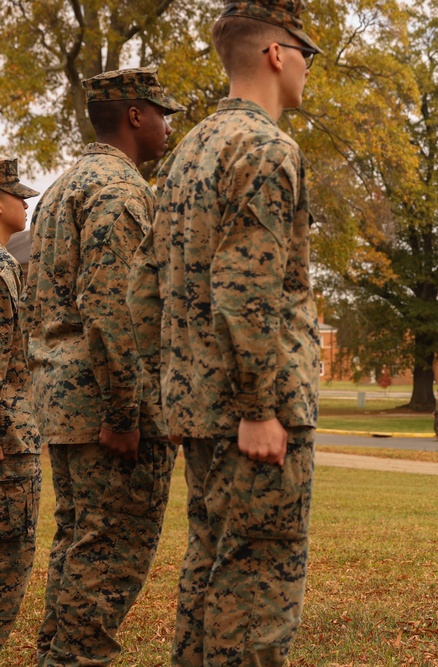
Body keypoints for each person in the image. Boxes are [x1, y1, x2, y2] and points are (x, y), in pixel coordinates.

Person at [127, 1, 322, 663]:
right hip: (251, 416)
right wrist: (257, 407)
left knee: (208, 572)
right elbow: (247, 287)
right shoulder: (266, 147)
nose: (307, 69)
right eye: (306, 53)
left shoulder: (187, 151)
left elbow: (145, 287)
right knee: (258, 588)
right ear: (276, 53)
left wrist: (173, 393)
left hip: (201, 409)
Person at [22, 67, 184, 665]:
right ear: (136, 116)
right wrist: (125, 413)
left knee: (76, 544)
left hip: (62, 401)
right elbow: (114, 311)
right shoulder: (119, 191)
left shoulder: (63, 187)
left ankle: (55, 657)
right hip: (105, 410)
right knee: (108, 554)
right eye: (162, 114)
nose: (168, 127)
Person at [0, 158, 41, 649]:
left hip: (16, 433)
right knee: (10, 561)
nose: (26, 201)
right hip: (8, 442)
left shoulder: (9, 262)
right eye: (16, 193)